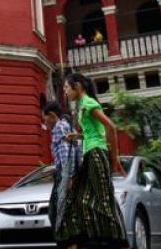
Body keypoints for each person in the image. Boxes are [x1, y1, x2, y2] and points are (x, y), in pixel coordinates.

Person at [57, 73, 128, 249]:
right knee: (79, 198)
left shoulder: (88, 103)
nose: (65, 92)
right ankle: (89, 240)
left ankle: (120, 243)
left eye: (67, 87)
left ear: (78, 86)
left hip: (97, 153)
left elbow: (110, 127)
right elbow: (93, 132)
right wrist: (77, 135)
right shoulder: (82, 105)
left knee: (104, 199)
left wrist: (115, 157)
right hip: (90, 153)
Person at [43, 101, 82, 242]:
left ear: (52, 115)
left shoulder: (60, 127)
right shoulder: (67, 126)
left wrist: (68, 177)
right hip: (69, 173)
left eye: (45, 119)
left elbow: (67, 153)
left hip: (65, 174)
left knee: (57, 212)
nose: (45, 123)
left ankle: (68, 243)